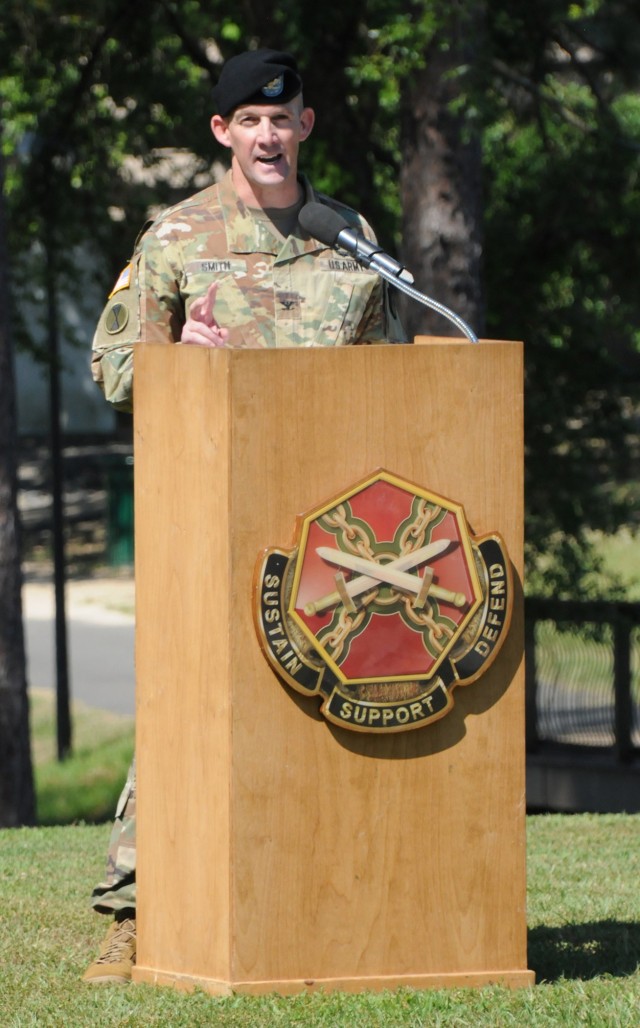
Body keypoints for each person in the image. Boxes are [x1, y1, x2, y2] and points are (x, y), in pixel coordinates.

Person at [83, 47, 406, 985]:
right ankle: (135, 913)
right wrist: (182, 353)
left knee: (320, 707)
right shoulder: (177, 239)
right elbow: (114, 368)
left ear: (307, 126)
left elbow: (395, 375)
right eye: (250, 122)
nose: (270, 135)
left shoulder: (348, 236)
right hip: (210, 518)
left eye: (285, 118)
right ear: (224, 132)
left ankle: (322, 898)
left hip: (331, 530)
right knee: (187, 709)